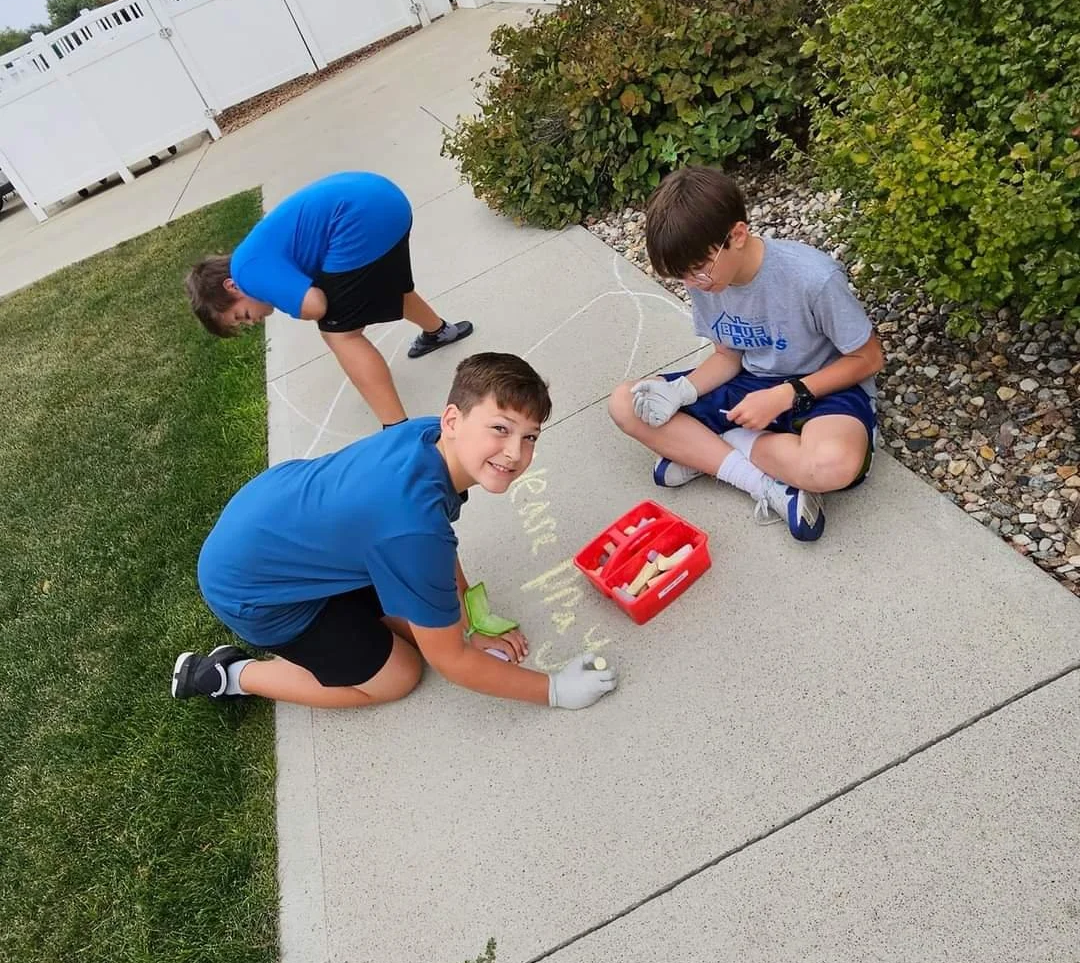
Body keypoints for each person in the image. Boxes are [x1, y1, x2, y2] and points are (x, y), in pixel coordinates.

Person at [172, 353, 617, 712]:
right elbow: (452, 661)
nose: (515, 452)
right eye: (500, 428)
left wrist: (470, 622)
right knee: (399, 675)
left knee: (423, 625)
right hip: (256, 591)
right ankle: (228, 674)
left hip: (276, 530)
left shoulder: (427, 436)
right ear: (452, 420)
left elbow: (433, 540)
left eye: (530, 437)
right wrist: (553, 690)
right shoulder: (412, 531)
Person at [609, 167, 883, 543]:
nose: (692, 284)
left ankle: (709, 450)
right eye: (682, 277)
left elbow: (869, 359)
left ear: (737, 235)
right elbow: (727, 355)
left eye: (697, 271)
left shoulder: (812, 278)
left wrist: (786, 394)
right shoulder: (707, 278)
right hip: (749, 383)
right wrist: (682, 391)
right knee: (627, 403)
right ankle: (764, 485)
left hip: (823, 388)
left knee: (833, 465)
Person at [184, 171, 473, 427]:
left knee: (339, 334)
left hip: (360, 221)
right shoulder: (252, 254)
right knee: (391, 289)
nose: (253, 321)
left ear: (232, 287)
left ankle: (395, 428)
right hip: (386, 201)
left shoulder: (246, 272)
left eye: (242, 315)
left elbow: (316, 306)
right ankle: (439, 331)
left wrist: (301, 305)